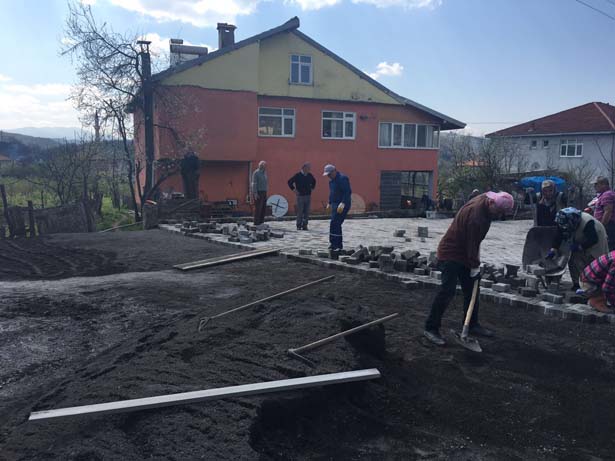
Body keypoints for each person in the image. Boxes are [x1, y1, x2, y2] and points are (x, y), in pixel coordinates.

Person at [424, 191, 514, 345]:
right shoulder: (476, 218)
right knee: (447, 291)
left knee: (472, 289)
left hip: (464, 251)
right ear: (492, 203)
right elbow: (471, 244)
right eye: (498, 211)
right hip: (451, 253)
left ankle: (471, 324)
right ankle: (430, 328)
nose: (499, 215)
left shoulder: (486, 198)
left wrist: (473, 265)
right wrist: (474, 266)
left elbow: (473, 243)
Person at [548, 207, 608, 290]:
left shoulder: (587, 222)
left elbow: (593, 239)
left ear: (573, 222)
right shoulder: (563, 220)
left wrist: (579, 247)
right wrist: (554, 248)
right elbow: (559, 233)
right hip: (581, 239)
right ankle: (577, 284)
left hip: (595, 243)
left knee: (590, 264)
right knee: (572, 261)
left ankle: (592, 285)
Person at [323, 164, 351, 251]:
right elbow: (332, 193)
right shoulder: (331, 181)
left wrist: (343, 203)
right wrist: (329, 203)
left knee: (336, 223)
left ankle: (337, 245)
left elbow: (347, 192)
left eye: (329, 174)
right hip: (335, 204)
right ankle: (333, 243)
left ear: (334, 171)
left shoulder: (342, 179)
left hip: (342, 205)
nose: (328, 176)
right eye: (327, 175)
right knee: (333, 224)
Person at [288, 162, 316, 230]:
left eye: (309, 168)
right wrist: (294, 190)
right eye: (308, 168)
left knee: (307, 212)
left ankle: (305, 225)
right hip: (300, 196)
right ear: (303, 168)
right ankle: (298, 225)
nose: (309, 169)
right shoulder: (297, 175)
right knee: (300, 211)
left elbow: (314, 181)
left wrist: (312, 188)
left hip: (308, 195)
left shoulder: (310, 175)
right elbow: (289, 182)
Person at [592, 176, 615, 250]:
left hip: (609, 226)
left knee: (608, 248)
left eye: (596, 184)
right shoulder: (604, 194)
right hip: (608, 225)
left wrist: (601, 227)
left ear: (603, 184)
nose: (594, 186)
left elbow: (608, 212)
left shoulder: (607, 195)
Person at [251, 161, 268, 225]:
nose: (264, 166)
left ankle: (261, 222)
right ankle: (256, 223)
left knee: (263, 208)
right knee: (258, 208)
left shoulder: (265, 173)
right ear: (260, 166)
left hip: (264, 192)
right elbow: (254, 183)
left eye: (264, 165)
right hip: (258, 192)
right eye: (262, 165)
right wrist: (255, 193)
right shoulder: (256, 173)